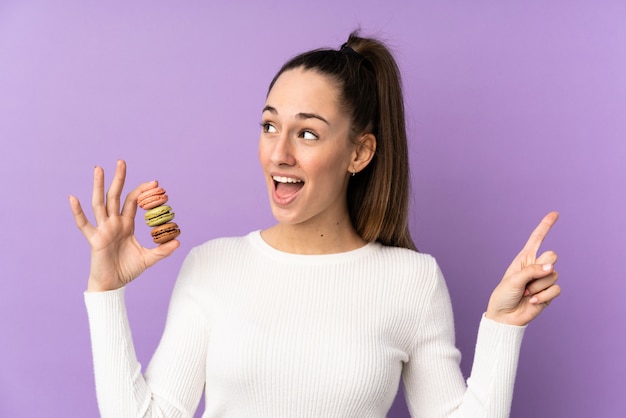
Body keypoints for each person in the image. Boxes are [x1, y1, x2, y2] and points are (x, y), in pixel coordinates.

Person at [69, 31, 561, 417]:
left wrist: (501, 328)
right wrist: (105, 290)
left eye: (307, 132)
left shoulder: (412, 281)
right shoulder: (212, 266)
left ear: (359, 152)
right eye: (269, 126)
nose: (279, 153)